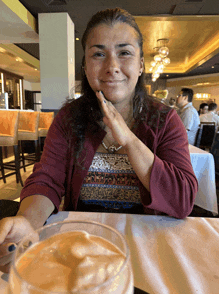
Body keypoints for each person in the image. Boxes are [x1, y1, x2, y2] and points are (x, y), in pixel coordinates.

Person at [0, 8, 198, 273]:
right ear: (85, 66)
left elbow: (182, 200)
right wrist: (27, 221)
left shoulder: (165, 120)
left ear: (140, 64)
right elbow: (47, 179)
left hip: (148, 249)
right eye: (99, 54)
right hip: (81, 247)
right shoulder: (70, 118)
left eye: (124, 52)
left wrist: (129, 140)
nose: (112, 67)